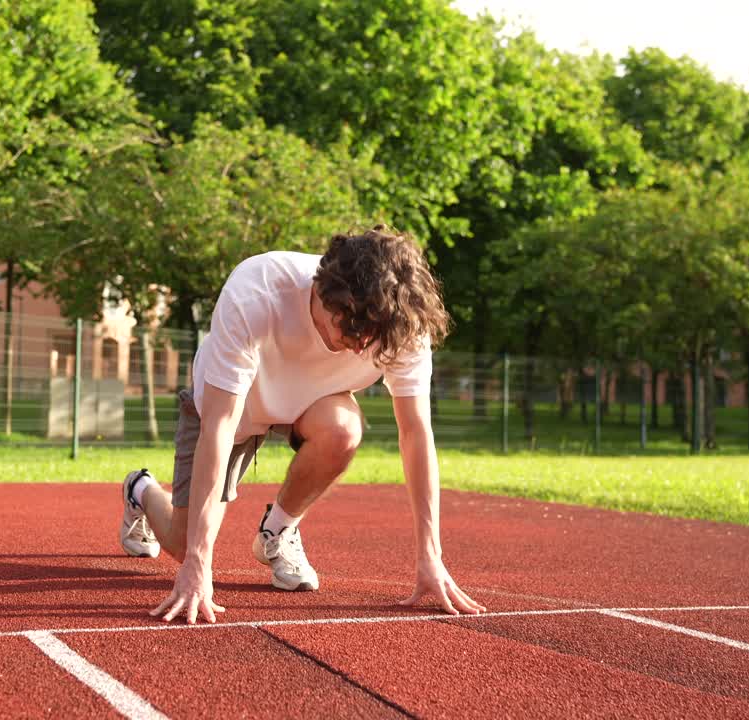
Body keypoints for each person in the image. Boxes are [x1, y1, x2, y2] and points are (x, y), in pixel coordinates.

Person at [118, 225, 485, 624]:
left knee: (345, 429)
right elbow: (219, 427)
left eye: (373, 335)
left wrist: (430, 556)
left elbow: (416, 434)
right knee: (183, 540)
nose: (362, 346)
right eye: (352, 329)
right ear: (324, 294)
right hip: (234, 408)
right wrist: (196, 562)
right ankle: (142, 489)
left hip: (311, 405)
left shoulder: (399, 322)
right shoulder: (256, 290)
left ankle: (277, 532)